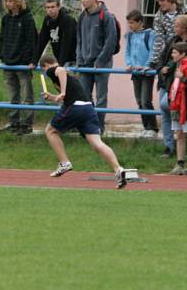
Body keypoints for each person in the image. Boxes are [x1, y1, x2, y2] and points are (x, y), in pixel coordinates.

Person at [39, 54, 128, 189]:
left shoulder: (53, 70)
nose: (45, 73)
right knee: (97, 144)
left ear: (45, 65)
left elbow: (60, 70)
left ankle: (64, 163)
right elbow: (68, 95)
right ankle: (118, 169)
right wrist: (53, 97)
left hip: (76, 107)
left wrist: (62, 92)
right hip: (88, 108)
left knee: (50, 131)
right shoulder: (68, 78)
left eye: (44, 70)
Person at [156, 14, 187, 159]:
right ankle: (169, 147)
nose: (173, 27)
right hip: (169, 83)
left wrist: (186, 78)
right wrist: (161, 70)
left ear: (185, 27)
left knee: (170, 107)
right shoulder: (172, 40)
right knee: (166, 111)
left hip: (186, 87)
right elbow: (163, 58)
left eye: (177, 25)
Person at [75, 0, 118, 133]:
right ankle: (88, 125)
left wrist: (100, 61)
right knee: (84, 97)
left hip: (101, 64)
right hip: (85, 63)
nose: (83, 1)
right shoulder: (82, 16)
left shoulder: (106, 16)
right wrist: (79, 58)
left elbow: (110, 41)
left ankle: (99, 127)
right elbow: (79, 39)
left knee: (101, 98)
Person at [0, 0, 37, 135]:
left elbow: (30, 41)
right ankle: (14, 122)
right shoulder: (5, 19)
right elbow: (2, 39)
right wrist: (3, 55)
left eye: (11, 1)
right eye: (7, 1)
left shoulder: (28, 19)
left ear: (18, 1)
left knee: (27, 94)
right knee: (13, 94)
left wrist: (27, 60)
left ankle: (27, 124)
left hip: (22, 63)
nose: (9, 4)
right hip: (8, 62)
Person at [166, 42, 187, 175]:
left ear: (182, 54)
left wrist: (184, 78)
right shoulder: (176, 65)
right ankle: (179, 163)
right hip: (176, 103)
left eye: (174, 53)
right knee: (179, 134)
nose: (172, 55)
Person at [124, 10, 158, 138]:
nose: (130, 25)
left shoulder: (149, 34)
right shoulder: (130, 36)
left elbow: (152, 52)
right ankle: (146, 127)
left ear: (140, 22)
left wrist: (147, 65)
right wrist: (129, 63)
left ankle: (152, 128)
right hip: (135, 72)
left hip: (146, 72)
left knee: (145, 100)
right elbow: (127, 51)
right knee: (139, 100)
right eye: (129, 23)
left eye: (132, 23)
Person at [36, 0, 77, 65]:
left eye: (52, 7)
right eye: (48, 7)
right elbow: (41, 41)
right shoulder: (47, 20)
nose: (50, 10)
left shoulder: (67, 20)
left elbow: (66, 44)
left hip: (73, 59)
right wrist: (34, 61)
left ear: (59, 7)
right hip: (59, 59)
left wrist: (60, 64)